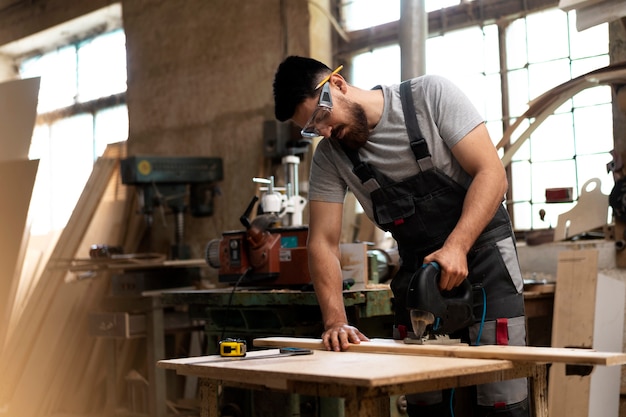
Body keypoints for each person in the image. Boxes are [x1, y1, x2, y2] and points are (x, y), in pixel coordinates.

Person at [272, 55, 529, 417]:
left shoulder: (430, 96)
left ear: (338, 85)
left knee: (502, 399)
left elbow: (491, 174)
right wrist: (335, 321)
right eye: (312, 129)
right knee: (424, 401)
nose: (324, 133)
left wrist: (456, 246)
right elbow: (322, 242)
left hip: (485, 258)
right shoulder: (331, 158)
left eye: (321, 117)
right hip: (419, 271)